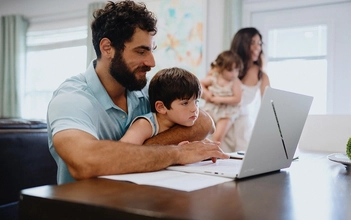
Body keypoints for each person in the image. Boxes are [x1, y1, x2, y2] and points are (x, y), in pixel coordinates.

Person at [47, 0, 229, 185]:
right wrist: (177, 152)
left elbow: (204, 123)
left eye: (151, 51)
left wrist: (142, 150)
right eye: (141, 52)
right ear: (107, 48)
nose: (152, 62)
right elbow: (85, 162)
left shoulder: (143, 88)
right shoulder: (71, 99)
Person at [120, 67, 201, 145]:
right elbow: (123, 152)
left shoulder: (181, 121)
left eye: (196, 102)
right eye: (185, 103)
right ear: (161, 107)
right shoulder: (144, 125)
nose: (194, 109)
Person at [221, 27, 271, 153]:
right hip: (220, 119)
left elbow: (269, 108)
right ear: (242, 44)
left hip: (242, 126)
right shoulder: (225, 68)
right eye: (252, 42)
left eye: (259, 43)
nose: (257, 47)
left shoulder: (261, 75)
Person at [200, 50, 243, 143]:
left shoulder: (235, 82)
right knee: (202, 126)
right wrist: (207, 93)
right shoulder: (215, 77)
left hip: (227, 111)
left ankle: (215, 154)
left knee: (218, 136)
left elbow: (237, 99)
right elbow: (200, 83)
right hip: (211, 107)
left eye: (236, 70)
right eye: (230, 70)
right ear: (220, 68)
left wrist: (219, 99)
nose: (234, 73)